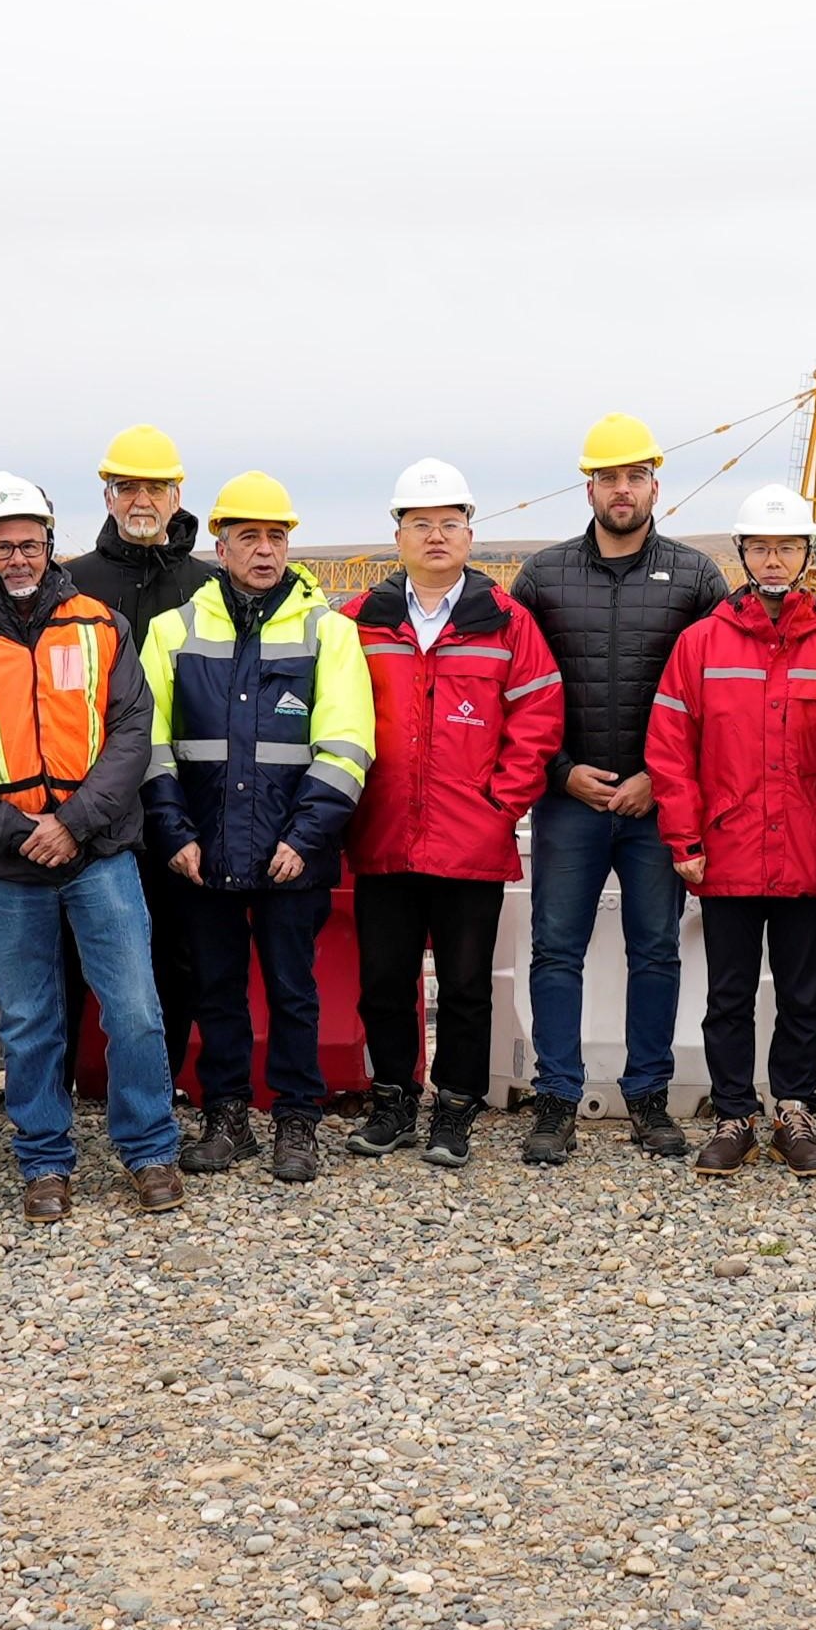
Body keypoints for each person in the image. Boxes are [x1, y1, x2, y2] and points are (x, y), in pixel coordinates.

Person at [0, 475, 184, 1222]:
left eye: (29, 542)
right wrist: (17, 831)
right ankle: (44, 1162)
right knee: (27, 1021)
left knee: (135, 1012)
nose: (17, 557)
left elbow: (131, 735)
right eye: (2, 546)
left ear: (50, 543)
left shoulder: (101, 625)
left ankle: (150, 1150)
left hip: (100, 853)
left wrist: (74, 823)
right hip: (2, 863)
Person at [142, 473, 373, 1180]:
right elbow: (147, 744)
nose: (265, 551)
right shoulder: (171, 630)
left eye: (276, 537)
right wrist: (173, 833)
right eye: (250, 537)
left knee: (292, 990)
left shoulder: (327, 632)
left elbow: (348, 744)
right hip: (201, 850)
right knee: (214, 988)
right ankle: (226, 1116)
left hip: (288, 854)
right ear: (220, 545)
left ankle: (296, 1121)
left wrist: (303, 840)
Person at [510, 414, 720, 1162]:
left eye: (633, 477)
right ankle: (556, 1101)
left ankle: (649, 1099)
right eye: (608, 477)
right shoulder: (542, 575)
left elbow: (710, 698)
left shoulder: (696, 576)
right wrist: (561, 769)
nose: (621, 490)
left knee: (656, 950)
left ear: (654, 484)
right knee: (554, 951)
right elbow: (520, 686)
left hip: (654, 805)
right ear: (588, 486)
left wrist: (655, 783)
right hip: (567, 800)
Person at [341, 461, 562, 1169]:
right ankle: (392, 1100)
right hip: (382, 835)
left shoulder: (507, 622)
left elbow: (537, 717)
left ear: (469, 533)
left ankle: (456, 1107)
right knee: (384, 981)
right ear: (397, 535)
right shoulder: (358, 622)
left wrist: (502, 802)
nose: (435, 536)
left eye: (448, 524)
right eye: (419, 524)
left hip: (471, 838)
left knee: (465, 986)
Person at [646, 484, 816, 1178]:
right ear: (741, 553)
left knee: (803, 993)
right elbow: (669, 749)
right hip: (727, 852)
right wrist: (683, 837)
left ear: (807, 553)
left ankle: (793, 1114)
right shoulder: (700, 643)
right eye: (761, 547)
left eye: (788, 547)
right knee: (729, 995)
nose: (774, 560)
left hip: (808, 850)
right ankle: (735, 1114)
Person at [61, 424, 226, 1123]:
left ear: (177, 494)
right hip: (88, 804)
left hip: (182, 803)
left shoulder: (206, 587)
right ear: (106, 494)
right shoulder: (71, 583)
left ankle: (160, 1088)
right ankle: (66, 1092)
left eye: (154, 487)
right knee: (70, 958)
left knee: (179, 955)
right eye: (127, 486)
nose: (140, 499)